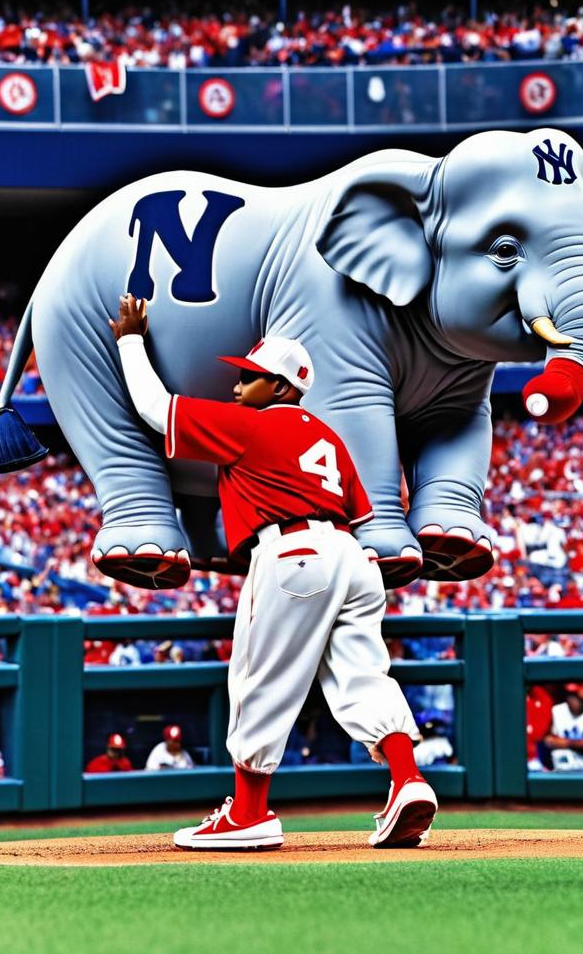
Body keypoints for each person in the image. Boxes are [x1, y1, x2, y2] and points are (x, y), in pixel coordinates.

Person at [111, 293, 434, 850]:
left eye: (251, 377)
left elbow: (151, 404)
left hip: (291, 554)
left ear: (282, 388)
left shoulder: (249, 427)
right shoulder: (328, 437)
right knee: (364, 677)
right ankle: (407, 778)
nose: (238, 386)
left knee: (258, 679)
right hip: (353, 558)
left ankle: (250, 813)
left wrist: (130, 339)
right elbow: (360, 513)